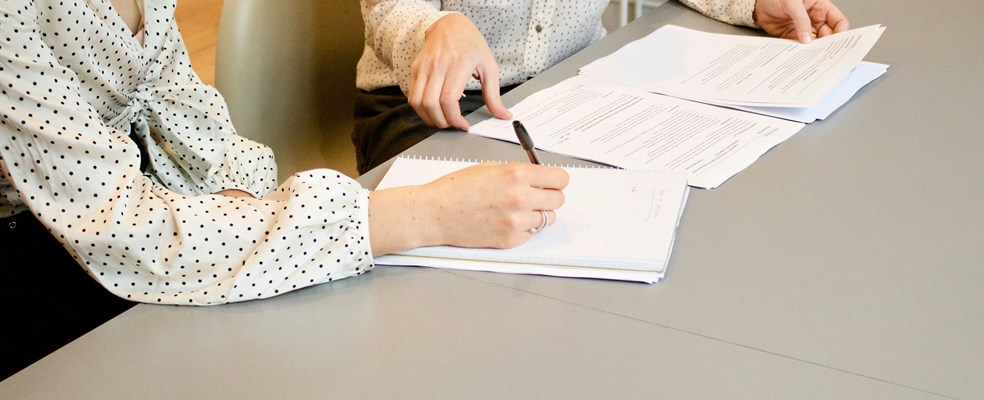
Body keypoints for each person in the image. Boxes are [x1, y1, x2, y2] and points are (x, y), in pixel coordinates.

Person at [0, 0, 568, 379]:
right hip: (43, 249)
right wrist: (421, 214)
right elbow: (126, 229)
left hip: (135, 206)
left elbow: (180, 105)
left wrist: (241, 200)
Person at [354, 0, 850, 173]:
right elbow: (386, 9)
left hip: (572, 88)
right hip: (426, 104)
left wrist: (753, 3)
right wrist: (438, 28)